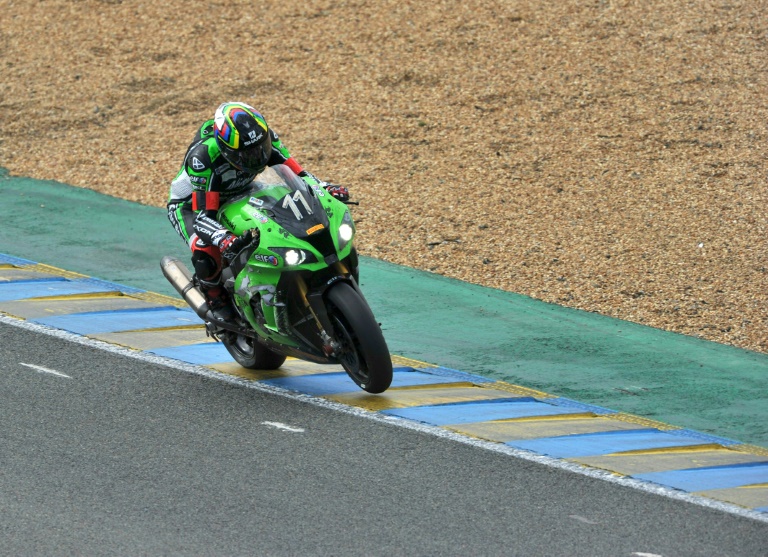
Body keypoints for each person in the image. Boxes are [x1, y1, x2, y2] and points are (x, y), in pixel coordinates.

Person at [167, 101, 349, 321]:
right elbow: (203, 218)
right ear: (225, 149)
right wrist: (224, 239)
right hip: (192, 205)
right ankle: (215, 298)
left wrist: (325, 188)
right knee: (206, 246)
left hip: (243, 189)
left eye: (261, 148)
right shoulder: (203, 158)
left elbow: (299, 174)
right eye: (247, 154)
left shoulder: (265, 137)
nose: (257, 157)